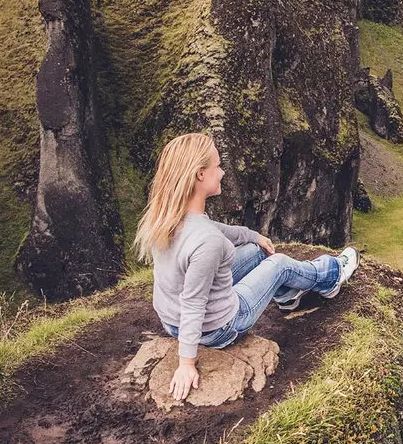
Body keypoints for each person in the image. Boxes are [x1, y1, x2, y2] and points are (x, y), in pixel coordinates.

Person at [132, 133, 358, 400]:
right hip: (218, 327)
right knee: (280, 264)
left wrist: (254, 236)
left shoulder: (167, 216)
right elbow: (194, 303)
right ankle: (330, 275)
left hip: (171, 320)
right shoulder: (208, 242)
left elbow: (215, 230)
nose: (223, 172)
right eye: (217, 166)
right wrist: (186, 364)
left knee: (256, 252)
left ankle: (287, 295)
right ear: (200, 175)